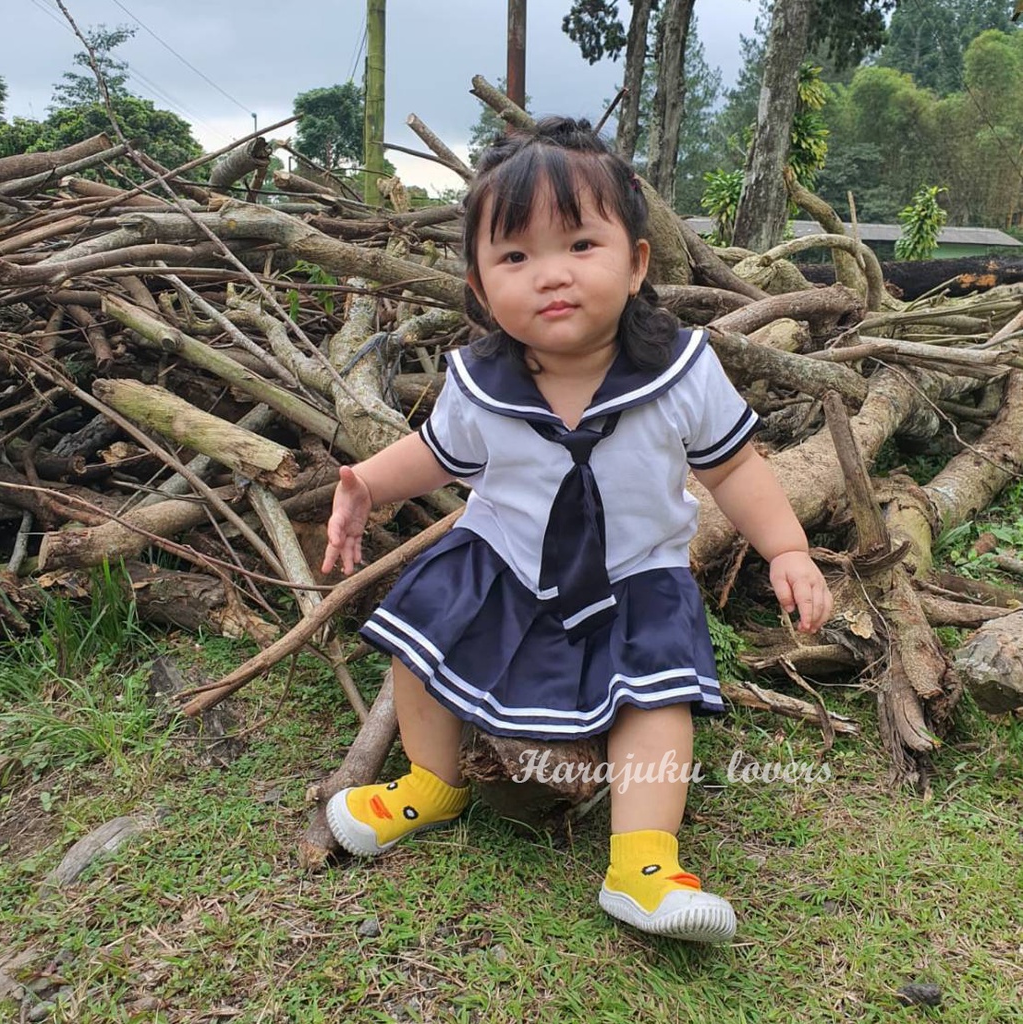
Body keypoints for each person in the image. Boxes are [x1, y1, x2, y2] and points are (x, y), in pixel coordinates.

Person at [320, 117, 833, 943]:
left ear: (636, 262)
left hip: (637, 574)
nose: (549, 276)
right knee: (419, 647)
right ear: (482, 289)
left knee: (657, 702)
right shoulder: (479, 380)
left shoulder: (683, 368)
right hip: (501, 559)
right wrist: (363, 488)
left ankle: (643, 861)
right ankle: (429, 783)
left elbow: (734, 469)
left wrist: (788, 550)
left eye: (580, 245)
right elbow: (436, 454)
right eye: (515, 257)